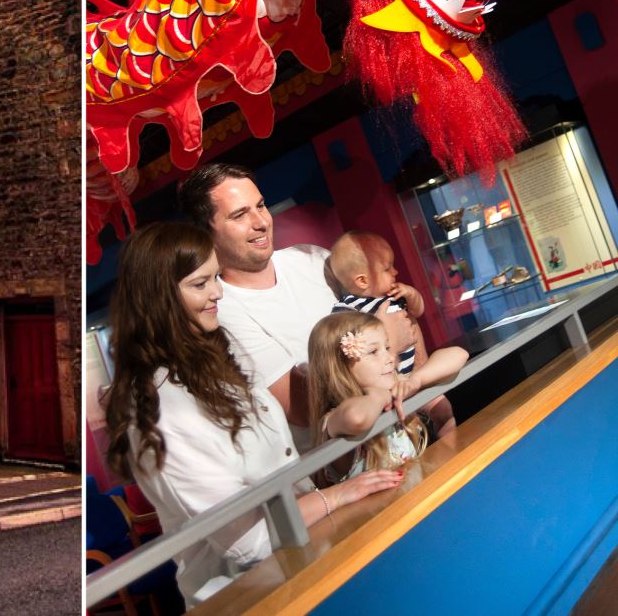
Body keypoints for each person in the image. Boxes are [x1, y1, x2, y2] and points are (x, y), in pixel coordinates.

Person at [104, 222, 403, 607]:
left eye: (215, 278)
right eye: (200, 284)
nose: (217, 293)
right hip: (245, 595)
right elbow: (247, 541)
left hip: (299, 564)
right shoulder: (159, 406)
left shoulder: (215, 363)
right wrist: (341, 494)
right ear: (158, 298)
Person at [178, 163, 426, 446]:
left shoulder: (312, 258)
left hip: (408, 424)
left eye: (260, 206)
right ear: (207, 233)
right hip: (351, 463)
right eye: (239, 215)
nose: (260, 221)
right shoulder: (223, 313)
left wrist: (429, 402)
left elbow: (398, 313)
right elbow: (303, 409)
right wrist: (387, 340)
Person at [306, 310, 467, 483]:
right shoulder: (334, 420)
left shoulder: (396, 389)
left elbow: (459, 354)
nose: (390, 358)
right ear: (340, 368)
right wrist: (379, 395)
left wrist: (416, 380)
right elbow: (357, 417)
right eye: (373, 351)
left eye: (387, 347)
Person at [326, 230, 458, 436]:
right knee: (407, 430)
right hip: (386, 386)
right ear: (362, 280)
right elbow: (353, 351)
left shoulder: (394, 296)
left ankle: (452, 451)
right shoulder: (347, 310)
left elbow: (418, 311)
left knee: (444, 410)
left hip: (414, 377)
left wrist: (412, 295)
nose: (395, 272)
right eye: (387, 268)